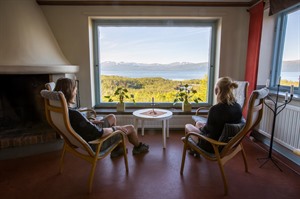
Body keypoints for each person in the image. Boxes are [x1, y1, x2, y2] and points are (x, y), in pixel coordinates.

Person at [54, 77, 149, 158]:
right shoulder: (74, 114)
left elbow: (80, 125)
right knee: (131, 128)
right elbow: (99, 133)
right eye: (75, 89)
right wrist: (115, 128)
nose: (76, 92)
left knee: (112, 117)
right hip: (95, 143)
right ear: (69, 91)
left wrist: (89, 122)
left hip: (87, 135)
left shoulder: (61, 111)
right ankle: (138, 148)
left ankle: (117, 149)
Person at [185, 77, 243, 154]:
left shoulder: (215, 109)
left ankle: (195, 149)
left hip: (212, 145)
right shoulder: (238, 107)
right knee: (198, 123)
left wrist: (201, 128)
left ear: (218, 90)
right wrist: (201, 126)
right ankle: (194, 150)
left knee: (188, 126)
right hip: (227, 143)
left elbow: (205, 131)